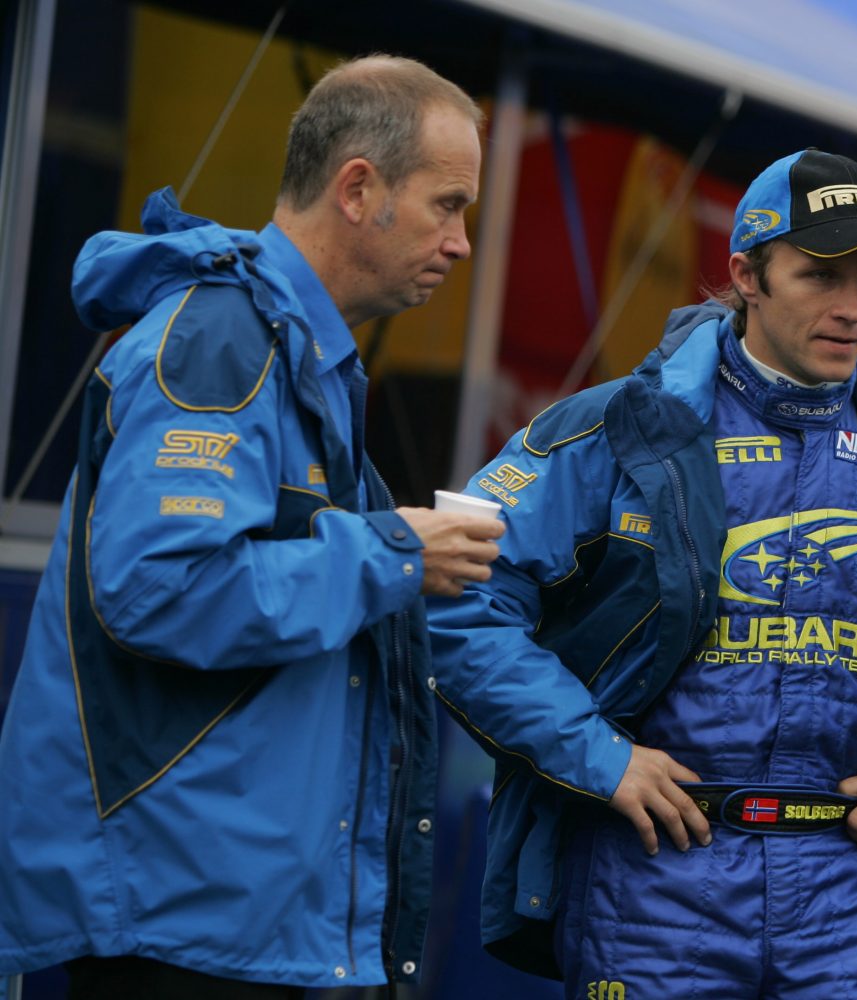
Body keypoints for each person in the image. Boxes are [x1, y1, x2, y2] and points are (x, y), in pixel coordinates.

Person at [427, 148, 857, 997]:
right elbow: (455, 598)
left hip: (851, 893)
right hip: (653, 883)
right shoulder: (622, 427)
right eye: (820, 276)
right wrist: (596, 756)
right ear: (746, 275)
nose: (851, 308)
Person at [0, 56, 503, 998]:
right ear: (358, 189)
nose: (462, 243)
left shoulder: (289, 346)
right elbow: (161, 590)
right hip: (180, 917)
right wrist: (395, 551)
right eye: (448, 205)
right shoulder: (223, 339)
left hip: (229, 911)